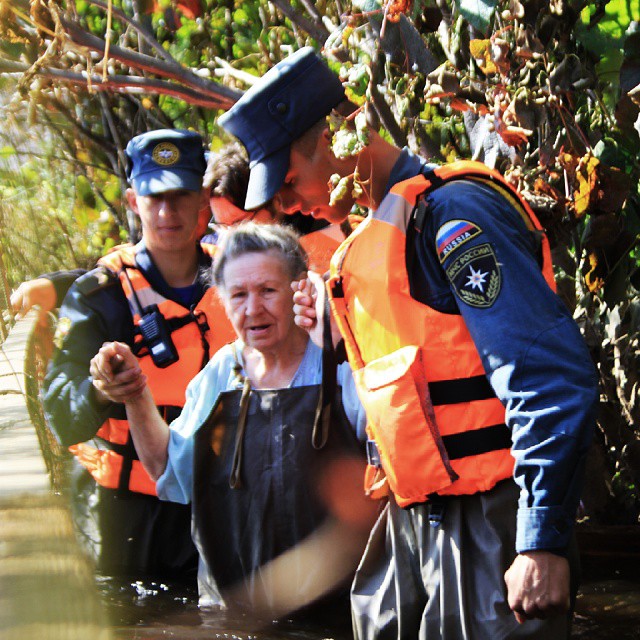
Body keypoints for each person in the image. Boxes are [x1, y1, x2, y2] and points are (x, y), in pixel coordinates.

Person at [217, 47, 599, 639]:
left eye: (289, 179)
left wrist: (540, 539)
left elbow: (546, 374)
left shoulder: (452, 215)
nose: (287, 204)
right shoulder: (369, 240)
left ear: (343, 134)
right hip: (413, 519)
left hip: (490, 521)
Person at [89, 222, 374, 618]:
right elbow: (168, 471)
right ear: (221, 300)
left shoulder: (340, 361)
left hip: (342, 613)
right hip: (233, 615)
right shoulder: (223, 372)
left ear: (299, 287)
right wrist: (136, 394)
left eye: (268, 290)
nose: (252, 309)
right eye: (238, 294)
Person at [43, 129, 235, 581]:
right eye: (154, 198)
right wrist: (100, 390)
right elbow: (61, 415)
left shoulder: (237, 276)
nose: (167, 212)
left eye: (180, 196)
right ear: (133, 201)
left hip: (222, 503)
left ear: (204, 198)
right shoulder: (100, 297)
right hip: (127, 517)